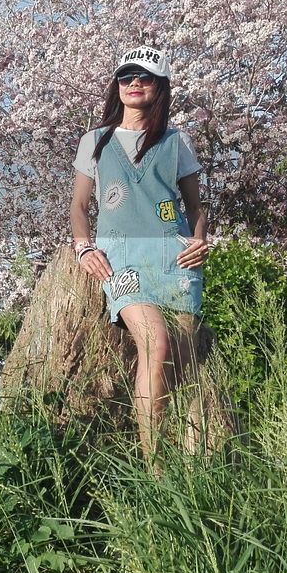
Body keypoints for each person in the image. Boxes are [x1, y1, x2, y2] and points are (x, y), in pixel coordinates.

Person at [69, 45, 212, 465]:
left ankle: (194, 468)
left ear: (159, 87)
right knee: (156, 341)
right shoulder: (95, 141)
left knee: (185, 368)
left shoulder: (176, 141)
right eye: (126, 76)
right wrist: (83, 248)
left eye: (144, 77)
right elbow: (79, 207)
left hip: (175, 259)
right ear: (117, 86)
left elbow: (196, 207)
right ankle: (155, 468)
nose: (134, 83)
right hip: (121, 259)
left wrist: (199, 239)